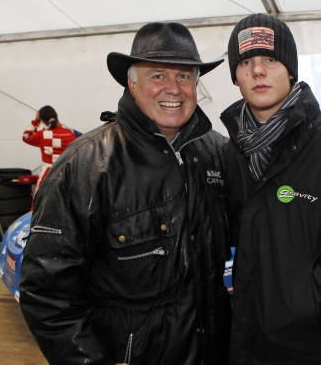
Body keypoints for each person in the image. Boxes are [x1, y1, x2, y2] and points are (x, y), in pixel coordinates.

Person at [19, 22, 232, 365]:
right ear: (132, 84)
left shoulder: (217, 153)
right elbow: (47, 292)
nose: (174, 89)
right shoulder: (84, 166)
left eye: (185, 77)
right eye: (158, 76)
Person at [220, 14, 321, 364]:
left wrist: (306, 302)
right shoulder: (232, 150)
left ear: (290, 70)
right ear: (235, 76)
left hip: (318, 337)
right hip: (250, 332)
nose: (258, 71)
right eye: (246, 62)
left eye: (270, 60)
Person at [22, 105, 77, 194]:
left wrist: (36, 122)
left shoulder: (43, 134)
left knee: (39, 201)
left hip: (47, 173)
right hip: (66, 172)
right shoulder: (70, 134)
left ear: (42, 119)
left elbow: (26, 137)